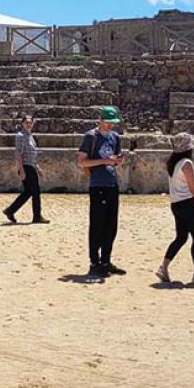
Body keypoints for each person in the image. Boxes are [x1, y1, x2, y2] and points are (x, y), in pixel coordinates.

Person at [77, 106, 127, 276]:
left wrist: (118, 161)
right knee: (98, 224)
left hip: (112, 184)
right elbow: (82, 162)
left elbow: (117, 159)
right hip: (98, 185)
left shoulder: (115, 137)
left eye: (112, 123)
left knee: (111, 225)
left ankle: (106, 259)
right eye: (108, 123)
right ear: (101, 120)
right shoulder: (91, 137)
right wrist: (103, 161)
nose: (110, 126)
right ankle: (95, 261)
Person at [156, 133, 194, 284]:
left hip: (176, 204)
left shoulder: (173, 163)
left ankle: (164, 267)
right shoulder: (187, 164)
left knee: (181, 237)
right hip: (187, 204)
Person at [4, 115, 49, 224]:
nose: (29, 124)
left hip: (31, 166)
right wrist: (21, 169)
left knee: (28, 192)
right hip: (26, 167)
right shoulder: (21, 136)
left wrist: (38, 168)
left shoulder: (30, 136)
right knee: (35, 191)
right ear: (23, 124)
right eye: (26, 122)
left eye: (30, 122)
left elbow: (32, 155)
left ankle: (10, 210)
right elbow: (18, 154)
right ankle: (37, 216)